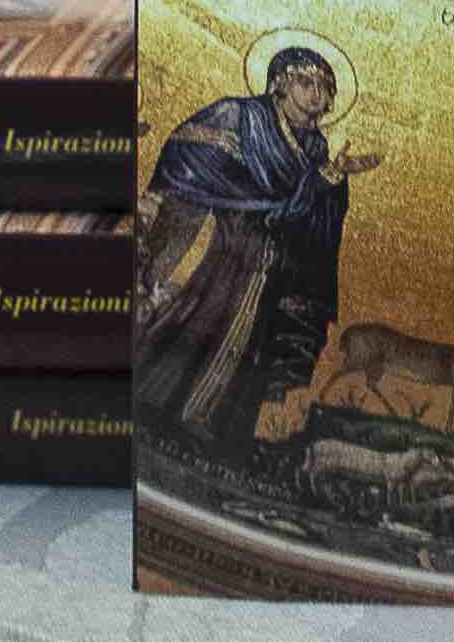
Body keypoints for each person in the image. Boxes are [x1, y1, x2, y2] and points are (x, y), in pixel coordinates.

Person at [135, 45, 381, 451]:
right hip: (235, 250)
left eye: (324, 87)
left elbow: (308, 215)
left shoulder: (317, 149)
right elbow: (193, 160)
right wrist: (159, 203)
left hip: (277, 267)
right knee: (208, 318)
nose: (316, 94)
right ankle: (164, 404)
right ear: (280, 81)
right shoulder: (241, 115)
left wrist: (334, 180)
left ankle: (214, 427)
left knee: (253, 346)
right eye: (306, 81)